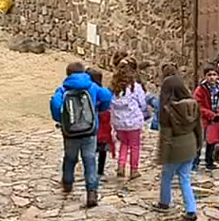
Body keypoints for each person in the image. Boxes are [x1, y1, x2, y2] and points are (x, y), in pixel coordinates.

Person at [50, 62, 112, 207]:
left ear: (68, 74)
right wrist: (99, 110)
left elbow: (55, 103)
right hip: (90, 130)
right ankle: (91, 192)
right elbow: (107, 96)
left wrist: (61, 119)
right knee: (89, 160)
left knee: (70, 157)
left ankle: (67, 182)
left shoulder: (63, 89)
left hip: (70, 131)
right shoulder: (92, 86)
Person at [152, 74, 202, 221]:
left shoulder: (167, 110)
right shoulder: (193, 104)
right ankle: (191, 209)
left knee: (167, 176)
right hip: (190, 145)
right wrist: (199, 144)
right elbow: (199, 128)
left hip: (175, 147)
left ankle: (164, 202)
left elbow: (166, 137)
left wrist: (163, 157)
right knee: (185, 178)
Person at [110, 56, 147, 180]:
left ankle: (121, 166)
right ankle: (134, 169)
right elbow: (142, 103)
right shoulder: (135, 87)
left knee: (124, 144)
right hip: (133, 121)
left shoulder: (114, 89)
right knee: (135, 145)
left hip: (119, 122)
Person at [193, 62, 219, 170]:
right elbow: (198, 105)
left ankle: (209, 161)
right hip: (203, 118)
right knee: (199, 140)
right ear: (205, 76)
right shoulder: (200, 90)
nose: (212, 77)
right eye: (209, 75)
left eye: (214, 74)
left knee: (211, 141)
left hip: (216, 118)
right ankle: (195, 162)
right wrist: (211, 114)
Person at [87, 67, 114, 178]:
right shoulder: (104, 93)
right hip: (103, 125)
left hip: (92, 124)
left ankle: (91, 169)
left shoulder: (87, 92)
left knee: (90, 150)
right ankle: (100, 170)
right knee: (102, 149)